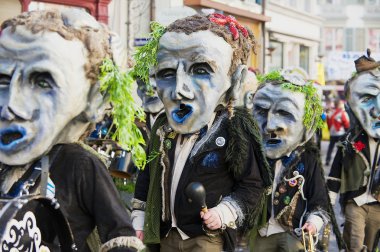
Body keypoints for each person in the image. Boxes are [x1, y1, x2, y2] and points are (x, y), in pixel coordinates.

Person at [0, 10, 144, 251]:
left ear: (94, 100)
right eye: (3, 80)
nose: (10, 106)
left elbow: (119, 236)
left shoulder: (80, 164)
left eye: (42, 82)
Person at [131, 13, 271, 252]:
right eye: (166, 73)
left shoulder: (234, 128)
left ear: (234, 82)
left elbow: (252, 185)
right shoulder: (162, 127)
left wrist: (224, 212)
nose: (179, 90)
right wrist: (139, 215)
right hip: (166, 235)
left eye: (201, 70)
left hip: (206, 237)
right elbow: (149, 174)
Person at [251, 68, 341, 251]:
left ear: (306, 128)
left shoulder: (307, 159)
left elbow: (319, 201)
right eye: (261, 110)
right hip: (260, 233)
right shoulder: (251, 156)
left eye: (284, 113)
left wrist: (313, 223)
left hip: (293, 233)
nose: (270, 125)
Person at [327, 49, 380, 252]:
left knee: (372, 242)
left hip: (378, 204)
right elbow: (335, 173)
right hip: (355, 201)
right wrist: (327, 203)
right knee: (355, 242)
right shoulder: (351, 140)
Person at [325, 99, 350, 166]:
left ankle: (327, 160)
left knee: (330, 147)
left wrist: (330, 129)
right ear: (339, 105)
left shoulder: (330, 113)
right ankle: (341, 161)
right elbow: (346, 123)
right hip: (340, 133)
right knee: (341, 148)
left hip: (332, 133)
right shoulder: (342, 113)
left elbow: (328, 123)